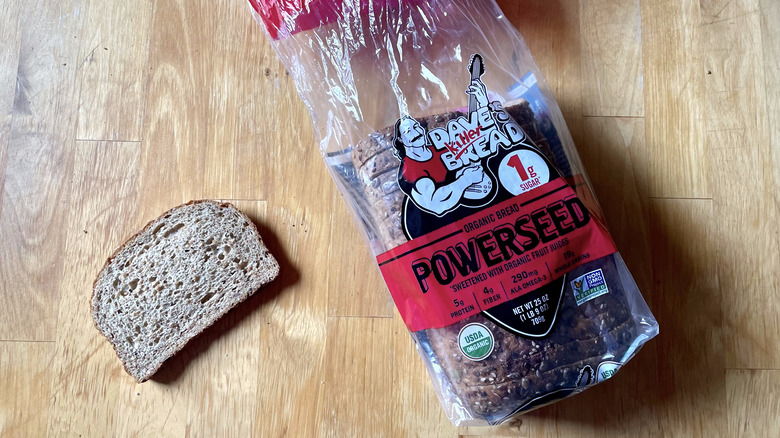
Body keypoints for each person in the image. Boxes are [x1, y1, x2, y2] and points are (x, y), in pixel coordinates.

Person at [392, 79, 491, 216]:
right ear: (400, 141)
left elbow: (480, 140)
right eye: (408, 132)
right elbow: (434, 204)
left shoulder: (440, 147)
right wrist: (466, 180)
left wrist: (484, 105)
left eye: (416, 127)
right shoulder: (410, 170)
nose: (415, 132)